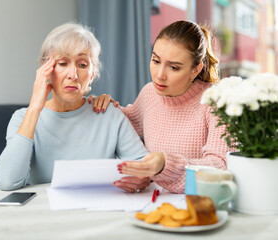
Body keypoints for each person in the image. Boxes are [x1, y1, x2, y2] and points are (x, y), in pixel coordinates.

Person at [0, 23, 150, 191]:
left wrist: (143, 177)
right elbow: (7, 180)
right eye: (62, 63)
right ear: (45, 69)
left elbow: (145, 166)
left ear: (92, 75)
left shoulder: (109, 114)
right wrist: (34, 108)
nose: (73, 75)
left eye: (83, 65)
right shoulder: (22, 118)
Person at [91, 20, 232, 193]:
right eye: (156, 61)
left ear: (195, 70)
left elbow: (221, 167)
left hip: (198, 203)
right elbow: (123, 124)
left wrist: (166, 164)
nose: (159, 75)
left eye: (173, 67)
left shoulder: (216, 101)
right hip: (152, 199)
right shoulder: (150, 94)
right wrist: (106, 105)